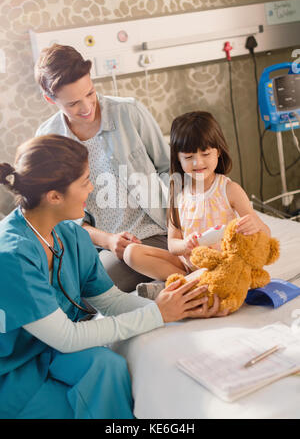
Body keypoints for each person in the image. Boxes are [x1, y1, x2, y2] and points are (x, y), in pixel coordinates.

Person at [0, 134, 226, 420]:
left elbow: (109, 301)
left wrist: (183, 308)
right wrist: (158, 314)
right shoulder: (12, 256)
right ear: (54, 197)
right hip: (14, 368)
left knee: (109, 367)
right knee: (64, 408)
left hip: (51, 351)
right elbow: (67, 338)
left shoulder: (70, 233)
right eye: (84, 182)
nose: (91, 188)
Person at [34, 44, 170, 292]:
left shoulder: (129, 112)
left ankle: (166, 282)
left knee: (95, 291)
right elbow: (63, 218)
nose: (86, 107)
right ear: (50, 99)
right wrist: (108, 241)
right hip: (98, 244)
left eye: (90, 93)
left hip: (153, 232)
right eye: (73, 103)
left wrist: (183, 225)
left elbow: (169, 168)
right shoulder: (49, 139)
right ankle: (161, 286)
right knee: (62, 292)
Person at [123, 111, 271, 299]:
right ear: (178, 158)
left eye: (205, 153)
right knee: (131, 253)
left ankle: (186, 286)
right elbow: (172, 244)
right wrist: (186, 244)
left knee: (231, 267)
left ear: (218, 151)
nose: (197, 162)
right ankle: (191, 282)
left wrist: (255, 226)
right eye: (189, 156)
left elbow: (266, 233)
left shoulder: (229, 189)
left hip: (222, 263)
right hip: (189, 264)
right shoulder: (178, 194)